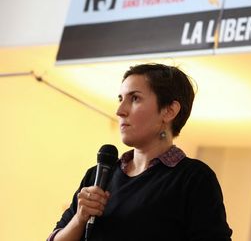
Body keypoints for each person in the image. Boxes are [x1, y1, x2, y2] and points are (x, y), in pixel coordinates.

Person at [47, 63, 232, 241]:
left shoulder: (194, 178)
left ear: (169, 111)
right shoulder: (98, 175)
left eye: (134, 98)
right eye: (120, 99)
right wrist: (80, 218)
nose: (119, 111)